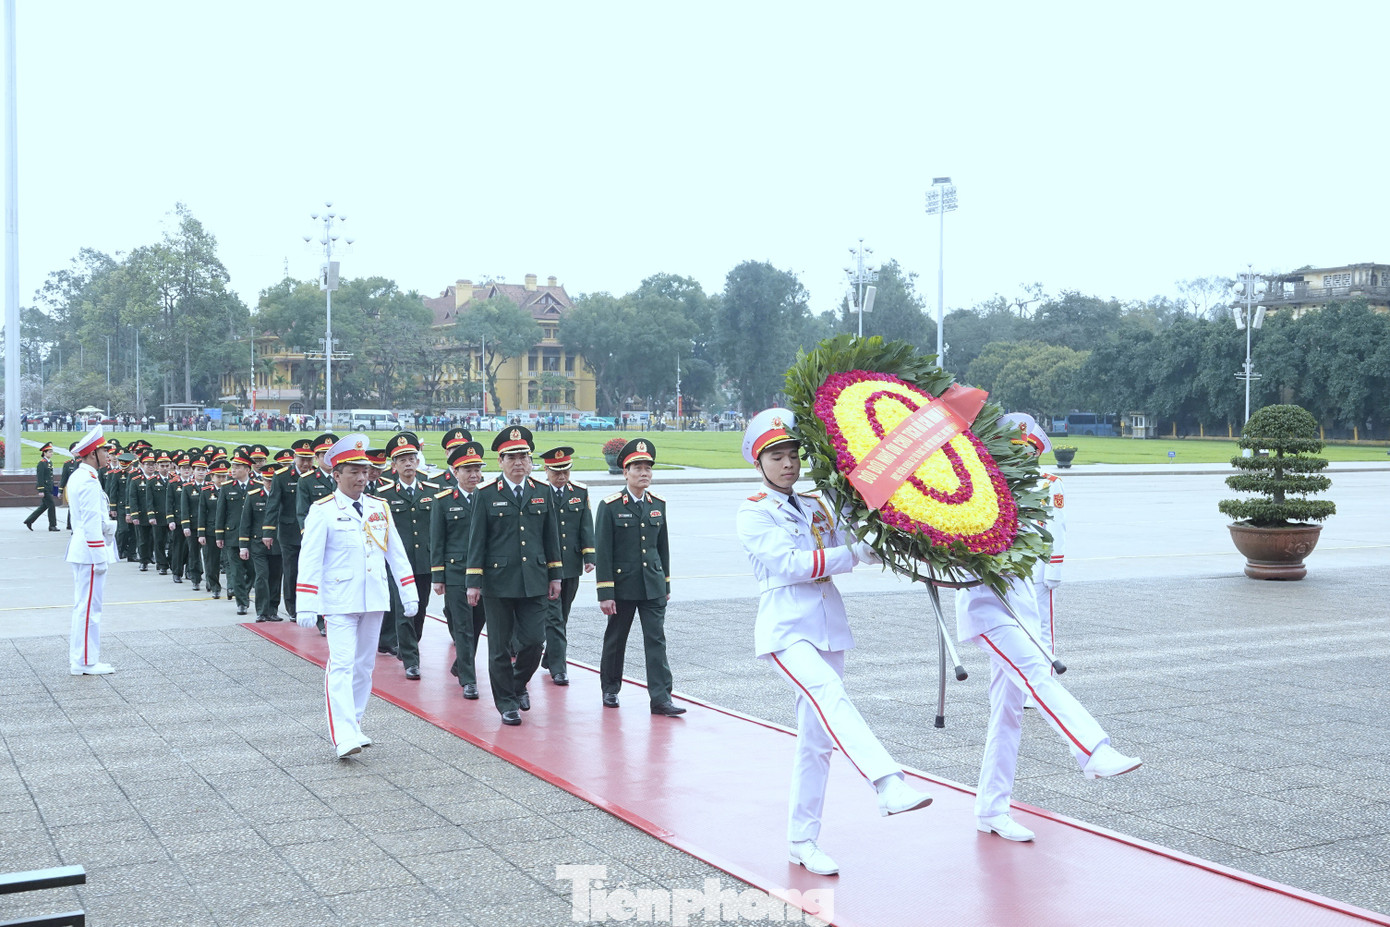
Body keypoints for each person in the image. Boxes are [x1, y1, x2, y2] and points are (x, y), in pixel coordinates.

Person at [736, 409, 931, 877]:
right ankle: (887, 782)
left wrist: (874, 519)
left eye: (793, 455)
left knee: (816, 741)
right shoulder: (753, 509)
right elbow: (790, 564)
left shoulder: (817, 503)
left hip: (827, 625)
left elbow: (855, 540)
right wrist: (852, 553)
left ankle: (802, 840)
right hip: (786, 628)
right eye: (776, 457)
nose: (788, 464)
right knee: (829, 693)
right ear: (759, 463)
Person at [956, 413, 1141, 844]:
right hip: (988, 610)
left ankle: (991, 808)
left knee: (1006, 717)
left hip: (1022, 610)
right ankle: (1092, 750)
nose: (1020, 462)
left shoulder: (1030, 495)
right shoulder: (974, 496)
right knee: (1038, 676)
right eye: (1012, 454)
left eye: (1026, 455)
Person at [295, 434, 419, 758]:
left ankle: (355, 724)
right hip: (338, 600)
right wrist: (306, 602)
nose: (362, 477)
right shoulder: (322, 510)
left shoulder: (380, 507)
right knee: (341, 664)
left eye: (365, 471)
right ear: (337, 474)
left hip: (374, 597)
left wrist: (408, 592)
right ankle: (342, 735)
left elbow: (397, 553)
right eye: (354, 471)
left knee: (364, 666)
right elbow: (309, 559)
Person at [465, 426, 562, 726]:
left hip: (534, 579)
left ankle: (518, 685)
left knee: (534, 641)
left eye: (524, 457)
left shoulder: (542, 492)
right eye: (512, 457)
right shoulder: (486, 494)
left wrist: (555, 575)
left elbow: (551, 537)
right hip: (498, 582)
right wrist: (473, 582)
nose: (519, 462)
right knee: (499, 646)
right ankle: (506, 702)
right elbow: (476, 540)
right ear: (500, 461)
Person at [594, 439, 684, 716]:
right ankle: (610, 688)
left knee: (656, 639)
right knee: (616, 637)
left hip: (653, 585)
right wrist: (605, 592)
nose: (644, 473)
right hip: (622, 587)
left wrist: (665, 583)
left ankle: (661, 697)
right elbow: (603, 552)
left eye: (648, 468)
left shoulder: (658, 504)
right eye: (638, 468)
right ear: (625, 472)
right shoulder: (609, 506)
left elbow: (662, 548)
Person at [377, 432, 438, 680]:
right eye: (402, 460)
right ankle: (412, 660)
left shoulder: (432, 491)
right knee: (404, 609)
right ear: (394, 466)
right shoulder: (384, 495)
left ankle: (410, 644)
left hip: (424, 561)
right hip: (398, 564)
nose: (408, 463)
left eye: (412, 458)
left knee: (420, 609)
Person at [430, 440, 488, 699]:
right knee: (463, 626)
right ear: (455, 472)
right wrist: (438, 576)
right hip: (456, 573)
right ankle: (469, 679)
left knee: (478, 625)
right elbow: (437, 540)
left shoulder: (487, 497)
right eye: (468, 470)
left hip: (485, 574)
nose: (474, 475)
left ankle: (460, 664)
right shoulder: (443, 501)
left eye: (477, 469)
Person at [536, 446, 595, 686]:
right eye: (556, 472)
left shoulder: (579, 492)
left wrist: (589, 555)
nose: (561, 477)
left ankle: (551, 657)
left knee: (564, 613)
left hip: (570, 563)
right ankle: (559, 668)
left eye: (565, 472)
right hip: (547, 566)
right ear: (546, 470)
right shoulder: (537, 492)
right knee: (554, 617)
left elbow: (585, 525)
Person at [66, 426, 118, 675]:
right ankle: (85, 662)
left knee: (85, 608)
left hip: (84, 549)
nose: (108, 454)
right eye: (103, 450)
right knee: (89, 610)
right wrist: (100, 558)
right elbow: (89, 523)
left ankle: (83, 658)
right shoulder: (87, 480)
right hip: (89, 552)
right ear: (91, 454)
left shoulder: (85, 477)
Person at [264, 439, 314, 616]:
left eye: (310, 459)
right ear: (294, 458)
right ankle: (292, 608)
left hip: (312, 531)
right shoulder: (282, 476)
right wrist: (268, 531)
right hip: (289, 532)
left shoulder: (315, 476)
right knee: (291, 571)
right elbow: (273, 505)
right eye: (302, 459)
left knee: (311, 571)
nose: (306, 463)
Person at [239, 463, 284, 622]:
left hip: (278, 544)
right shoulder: (253, 496)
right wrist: (243, 546)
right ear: (262, 480)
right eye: (267, 481)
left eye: (273, 481)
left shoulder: (283, 497)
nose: (270, 484)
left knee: (275, 578)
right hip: (257, 544)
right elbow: (245, 523)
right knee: (262, 576)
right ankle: (261, 611)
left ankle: (273, 610)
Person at [216, 448, 255, 616]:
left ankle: (244, 593)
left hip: (253, 536)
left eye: (238, 466)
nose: (233, 469)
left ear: (247, 469)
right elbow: (221, 512)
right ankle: (241, 602)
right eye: (233, 466)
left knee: (253, 571)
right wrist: (219, 535)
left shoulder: (257, 487)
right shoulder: (226, 488)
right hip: (232, 535)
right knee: (236, 571)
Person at [199, 457, 228, 599]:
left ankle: (232, 587)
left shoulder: (230, 490)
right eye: (219, 476)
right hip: (211, 530)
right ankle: (214, 585)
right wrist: (201, 533)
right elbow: (202, 513)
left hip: (228, 530)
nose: (222, 479)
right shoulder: (205, 492)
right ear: (212, 477)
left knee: (229, 561)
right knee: (212, 561)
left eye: (224, 476)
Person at [24, 442, 60, 531]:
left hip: (49, 488)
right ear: (44, 453)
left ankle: (29, 520)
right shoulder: (42, 463)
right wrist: (41, 490)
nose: (51, 454)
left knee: (44, 506)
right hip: (44, 488)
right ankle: (52, 525)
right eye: (50, 452)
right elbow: (40, 477)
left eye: (52, 452)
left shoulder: (49, 462)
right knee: (51, 505)